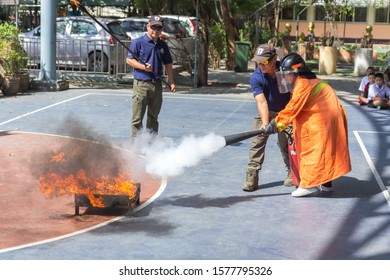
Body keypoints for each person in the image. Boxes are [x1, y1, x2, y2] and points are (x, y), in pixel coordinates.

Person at [264, 53, 351, 197]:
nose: (285, 78)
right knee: (326, 150)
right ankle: (326, 183)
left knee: (311, 148)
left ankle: (309, 184)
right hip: (329, 116)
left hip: (323, 118)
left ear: (297, 71)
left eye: (288, 74)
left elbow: (292, 108)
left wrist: (275, 124)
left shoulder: (302, 84)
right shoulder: (306, 81)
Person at [242, 44, 293, 192]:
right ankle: (252, 175)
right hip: (268, 110)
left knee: (287, 142)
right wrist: (265, 124)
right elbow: (261, 101)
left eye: (264, 62)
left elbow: (293, 97)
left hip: (286, 110)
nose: (260, 66)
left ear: (274, 59)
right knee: (257, 141)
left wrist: (286, 119)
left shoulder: (285, 71)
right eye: (258, 62)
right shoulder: (256, 77)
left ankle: (292, 172)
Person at [126, 16, 176, 138]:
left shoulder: (162, 45)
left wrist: (172, 82)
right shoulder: (138, 42)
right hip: (141, 85)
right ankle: (137, 146)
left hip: (156, 85)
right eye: (153, 27)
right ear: (148, 26)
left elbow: (168, 64)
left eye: (159, 28)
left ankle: (151, 145)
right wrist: (143, 67)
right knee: (137, 118)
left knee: (153, 118)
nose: (156, 30)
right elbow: (129, 60)